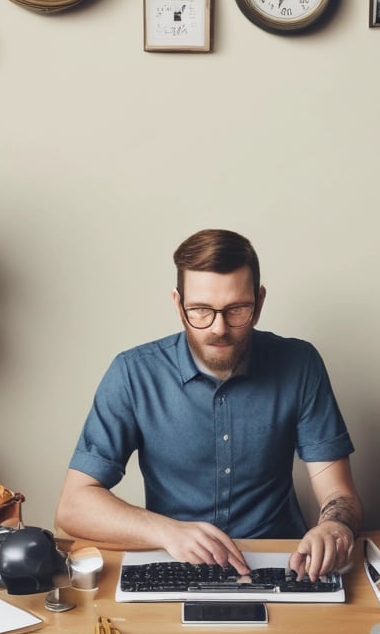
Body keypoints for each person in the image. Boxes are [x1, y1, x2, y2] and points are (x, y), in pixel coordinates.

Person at [55, 229, 362, 580]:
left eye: (237, 310)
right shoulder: (132, 373)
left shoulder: (300, 364)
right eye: (200, 310)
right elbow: (73, 506)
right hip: (174, 562)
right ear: (177, 303)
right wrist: (166, 531)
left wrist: (333, 529)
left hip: (284, 563)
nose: (218, 328)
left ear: (259, 303)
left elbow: (339, 493)